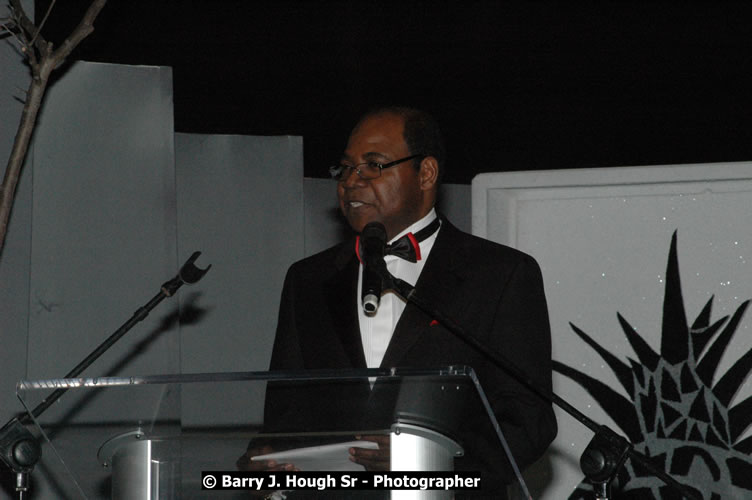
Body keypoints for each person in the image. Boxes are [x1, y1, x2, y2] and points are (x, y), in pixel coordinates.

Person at [238, 107, 557, 498]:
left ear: (426, 174)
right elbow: (285, 417)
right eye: (345, 168)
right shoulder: (308, 280)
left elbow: (528, 423)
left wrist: (425, 462)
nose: (351, 182)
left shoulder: (500, 275)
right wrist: (266, 460)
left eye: (372, 165)